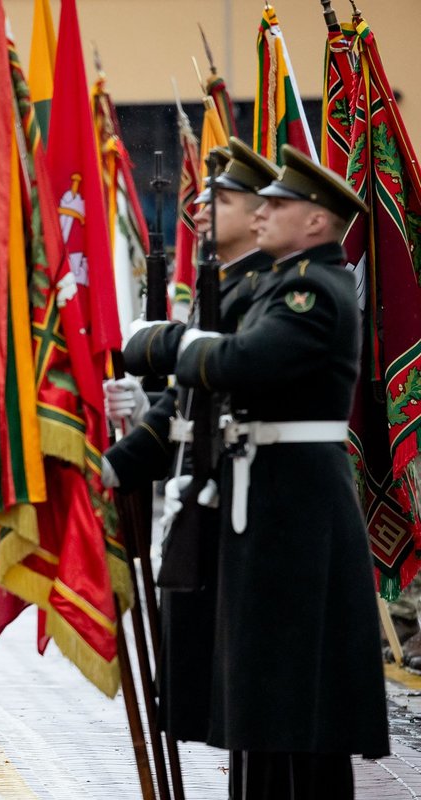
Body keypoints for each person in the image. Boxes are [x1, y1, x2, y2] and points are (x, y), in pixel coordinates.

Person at [168, 146, 388, 797]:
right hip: (270, 497)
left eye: (279, 205)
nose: (264, 213)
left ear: (316, 222)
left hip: (297, 506)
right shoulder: (284, 283)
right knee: (267, 690)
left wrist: (172, 343)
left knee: (298, 693)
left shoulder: (309, 290)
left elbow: (245, 363)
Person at [103, 138, 279, 744]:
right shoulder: (225, 288)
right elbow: (182, 406)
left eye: (216, 200)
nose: (196, 212)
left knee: (250, 689)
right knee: (210, 684)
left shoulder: (268, 290)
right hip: (204, 498)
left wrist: (167, 348)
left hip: (250, 502)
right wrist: (119, 459)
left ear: (262, 212)